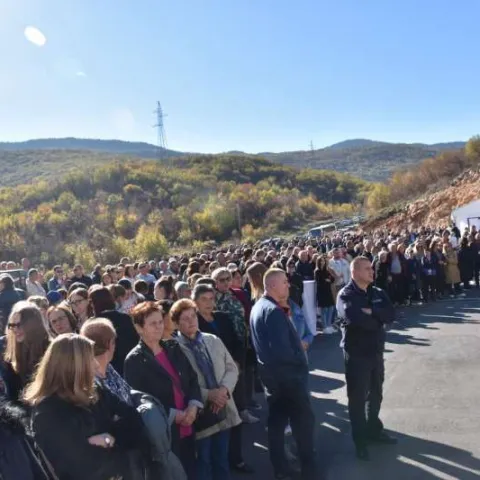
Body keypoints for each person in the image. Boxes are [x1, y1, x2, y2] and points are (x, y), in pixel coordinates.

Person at [24, 333, 148, 480]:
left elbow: (135, 422)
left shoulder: (96, 392)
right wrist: (112, 433)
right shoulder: (47, 413)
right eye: (90, 359)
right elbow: (82, 467)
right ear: (73, 366)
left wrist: (108, 439)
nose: (96, 364)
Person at [250, 268, 316, 480]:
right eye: (284, 282)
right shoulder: (273, 311)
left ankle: (280, 469)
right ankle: (308, 469)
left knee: (277, 424)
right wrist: (299, 363)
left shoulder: (258, 307)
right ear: (271, 286)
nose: (288, 285)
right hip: (287, 378)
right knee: (303, 423)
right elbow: (283, 350)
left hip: (272, 377)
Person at [124, 301, 202, 479]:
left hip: (189, 423)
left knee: (192, 471)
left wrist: (193, 405)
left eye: (160, 321)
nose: (159, 327)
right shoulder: (134, 360)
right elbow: (140, 402)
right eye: (153, 323)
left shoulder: (173, 347)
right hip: (165, 435)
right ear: (139, 328)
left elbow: (192, 379)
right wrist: (175, 414)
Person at [172, 299, 241, 480]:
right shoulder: (175, 348)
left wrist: (224, 391)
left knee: (221, 459)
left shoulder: (212, 339)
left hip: (223, 407)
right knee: (202, 461)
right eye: (185, 319)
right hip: (201, 413)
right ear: (176, 323)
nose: (191, 321)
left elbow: (231, 367)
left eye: (193, 316)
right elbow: (181, 383)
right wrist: (210, 395)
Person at [336, 256, 396, 461]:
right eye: (367, 269)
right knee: (357, 399)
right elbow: (356, 320)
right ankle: (360, 441)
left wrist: (374, 313)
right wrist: (377, 320)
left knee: (376, 393)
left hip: (376, 352)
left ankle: (373, 430)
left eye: (372, 268)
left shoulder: (378, 292)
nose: (372, 271)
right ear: (355, 273)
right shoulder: (346, 295)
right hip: (357, 354)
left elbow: (391, 314)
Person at [2, 301, 50, 401]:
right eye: (12, 325)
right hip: (15, 411)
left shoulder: (50, 349)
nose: (15, 329)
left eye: (19, 324)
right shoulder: (6, 350)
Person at [89, 286, 138, 375]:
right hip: (130, 364)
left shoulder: (93, 324)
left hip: (107, 368)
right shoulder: (125, 318)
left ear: (94, 303)